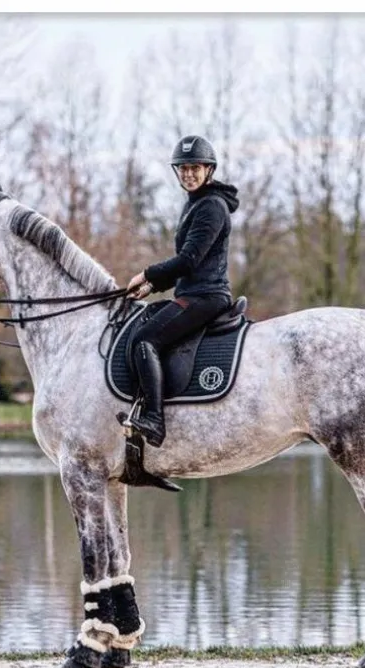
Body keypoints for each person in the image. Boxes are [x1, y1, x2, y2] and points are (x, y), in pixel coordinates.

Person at [125, 135, 239, 448]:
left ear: (209, 170)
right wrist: (152, 287)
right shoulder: (196, 203)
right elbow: (188, 267)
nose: (188, 174)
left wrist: (146, 274)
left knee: (145, 339)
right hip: (193, 292)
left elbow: (189, 260)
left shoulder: (211, 207)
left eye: (195, 168)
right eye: (183, 168)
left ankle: (154, 419)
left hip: (207, 297)